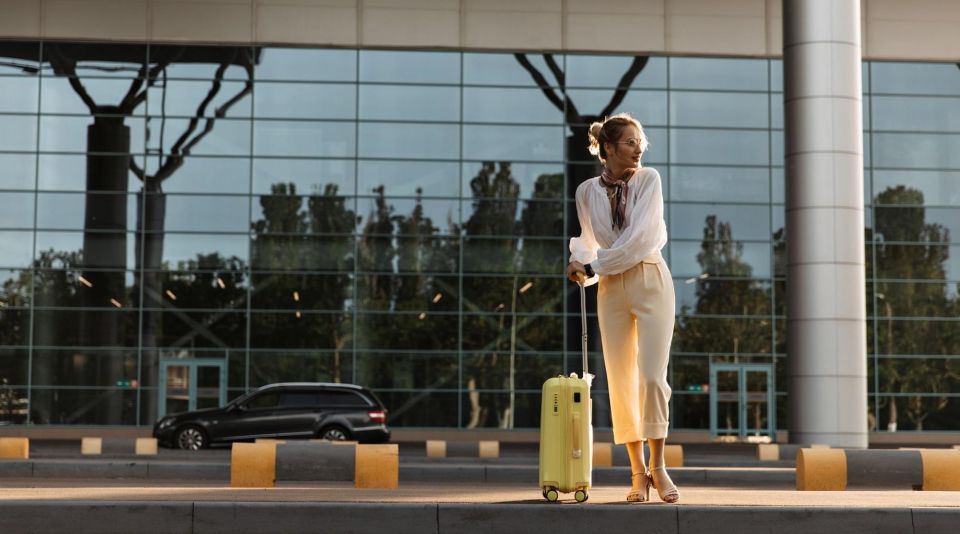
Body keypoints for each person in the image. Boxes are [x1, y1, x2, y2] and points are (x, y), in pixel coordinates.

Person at [566, 112, 679, 503]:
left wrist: (593, 265)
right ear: (608, 148)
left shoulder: (649, 180)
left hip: (650, 279)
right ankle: (636, 474)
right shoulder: (586, 192)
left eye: (640, 142)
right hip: (611, 288)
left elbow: (639, 239)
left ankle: (659, 466)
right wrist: (579, 262)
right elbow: (587, 240)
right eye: (630, 142)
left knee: (651, 377)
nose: (638, 148)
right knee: (619, 381)